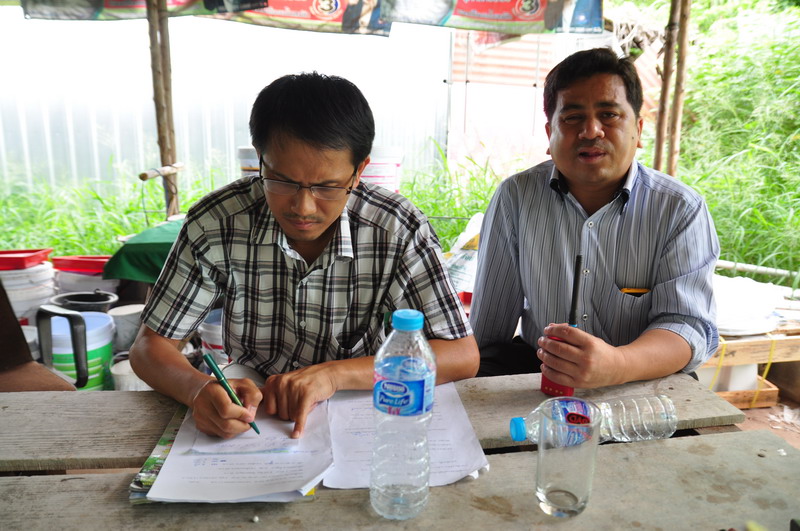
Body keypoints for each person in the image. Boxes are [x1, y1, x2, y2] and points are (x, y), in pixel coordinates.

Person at [130, 72, 479, 439]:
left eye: (327, 187)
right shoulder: (217, 223)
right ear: (260, 161)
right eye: (282, 181)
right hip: (255, 403)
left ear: (359, 171)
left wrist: (334, 375)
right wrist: (198, 389)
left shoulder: (396, 229)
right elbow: (150, 346)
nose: (303, 207)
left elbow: (461, 354)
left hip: (362, 397)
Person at [469, 47, 719, 388]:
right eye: (573, 117)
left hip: (643, 377)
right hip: (541, 371)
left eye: (609, 115)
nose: (591, 131)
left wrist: (617, 364)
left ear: (638, 129)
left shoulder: (679, 208)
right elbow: (488, 332)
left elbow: (686, 326)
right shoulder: (516, 197)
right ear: (550, 133)